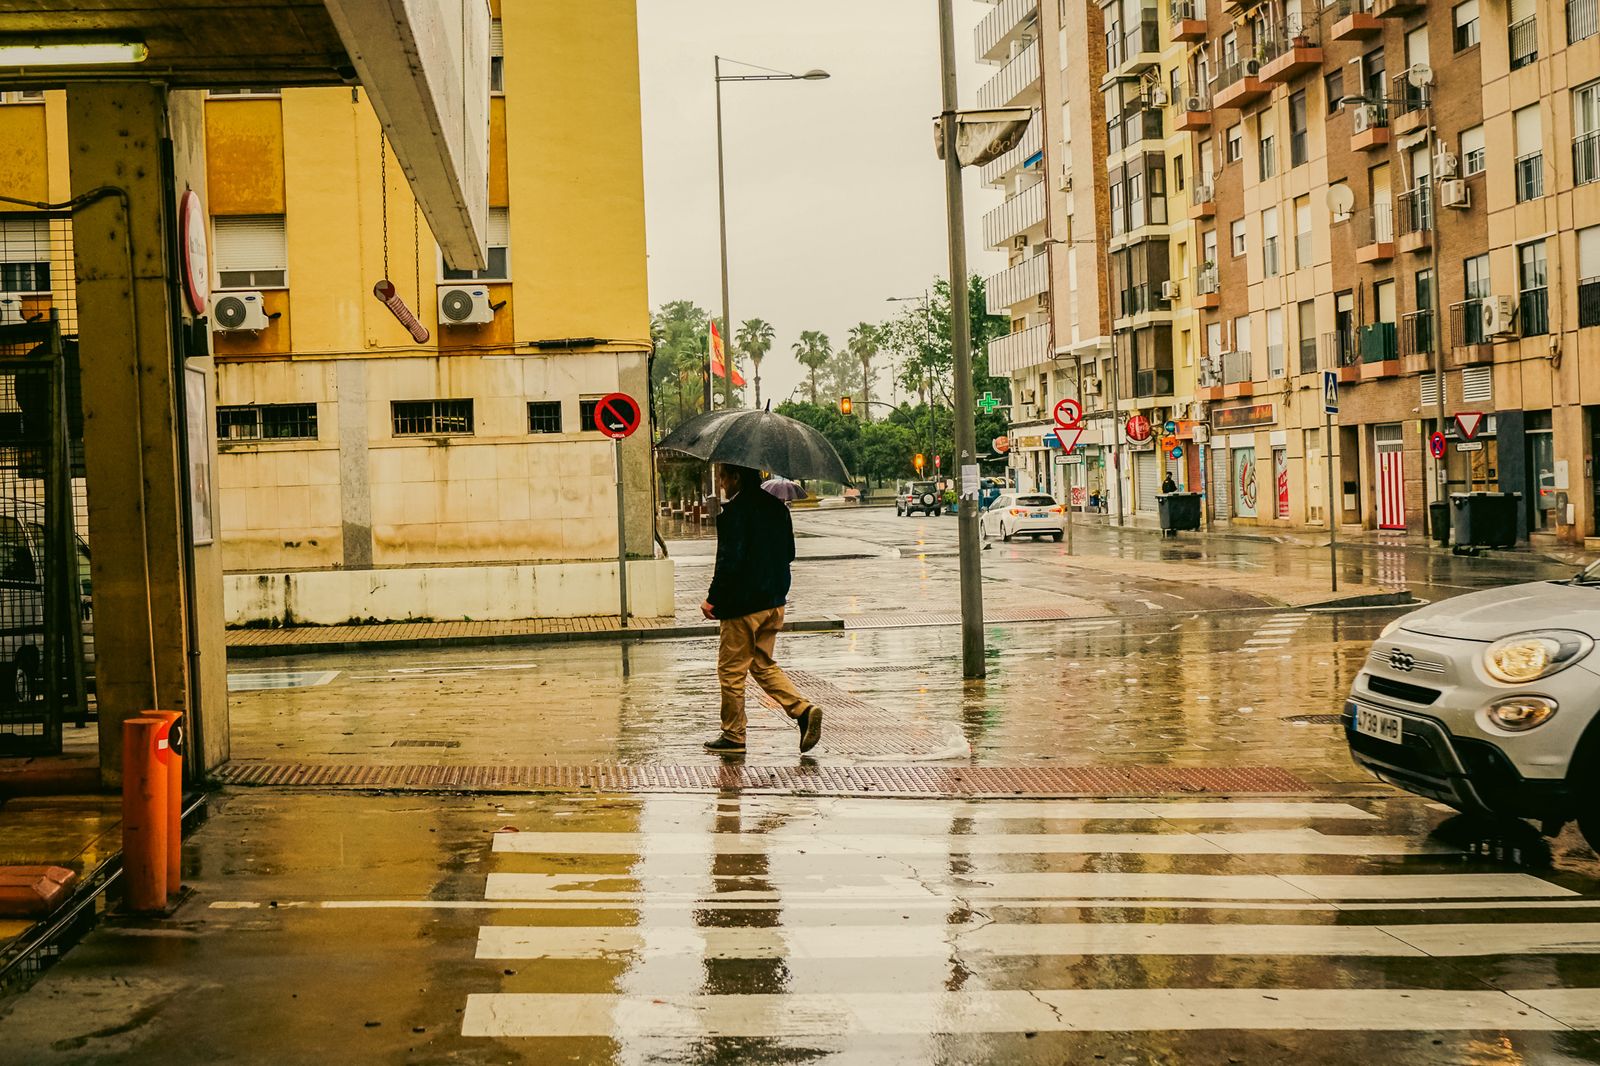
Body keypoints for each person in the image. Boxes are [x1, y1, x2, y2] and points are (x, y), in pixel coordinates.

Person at [700, 464, 822, 755]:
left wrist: (712, 599)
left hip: (742, 607)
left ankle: (733, 735)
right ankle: (803, 710)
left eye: (724, 477)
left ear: (736, 477)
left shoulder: (734, 514)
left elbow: (729, 563)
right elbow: (789, 553)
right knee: (762, 664)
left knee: (731, 672)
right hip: (774, 602)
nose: (722, 483)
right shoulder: (778, 509)